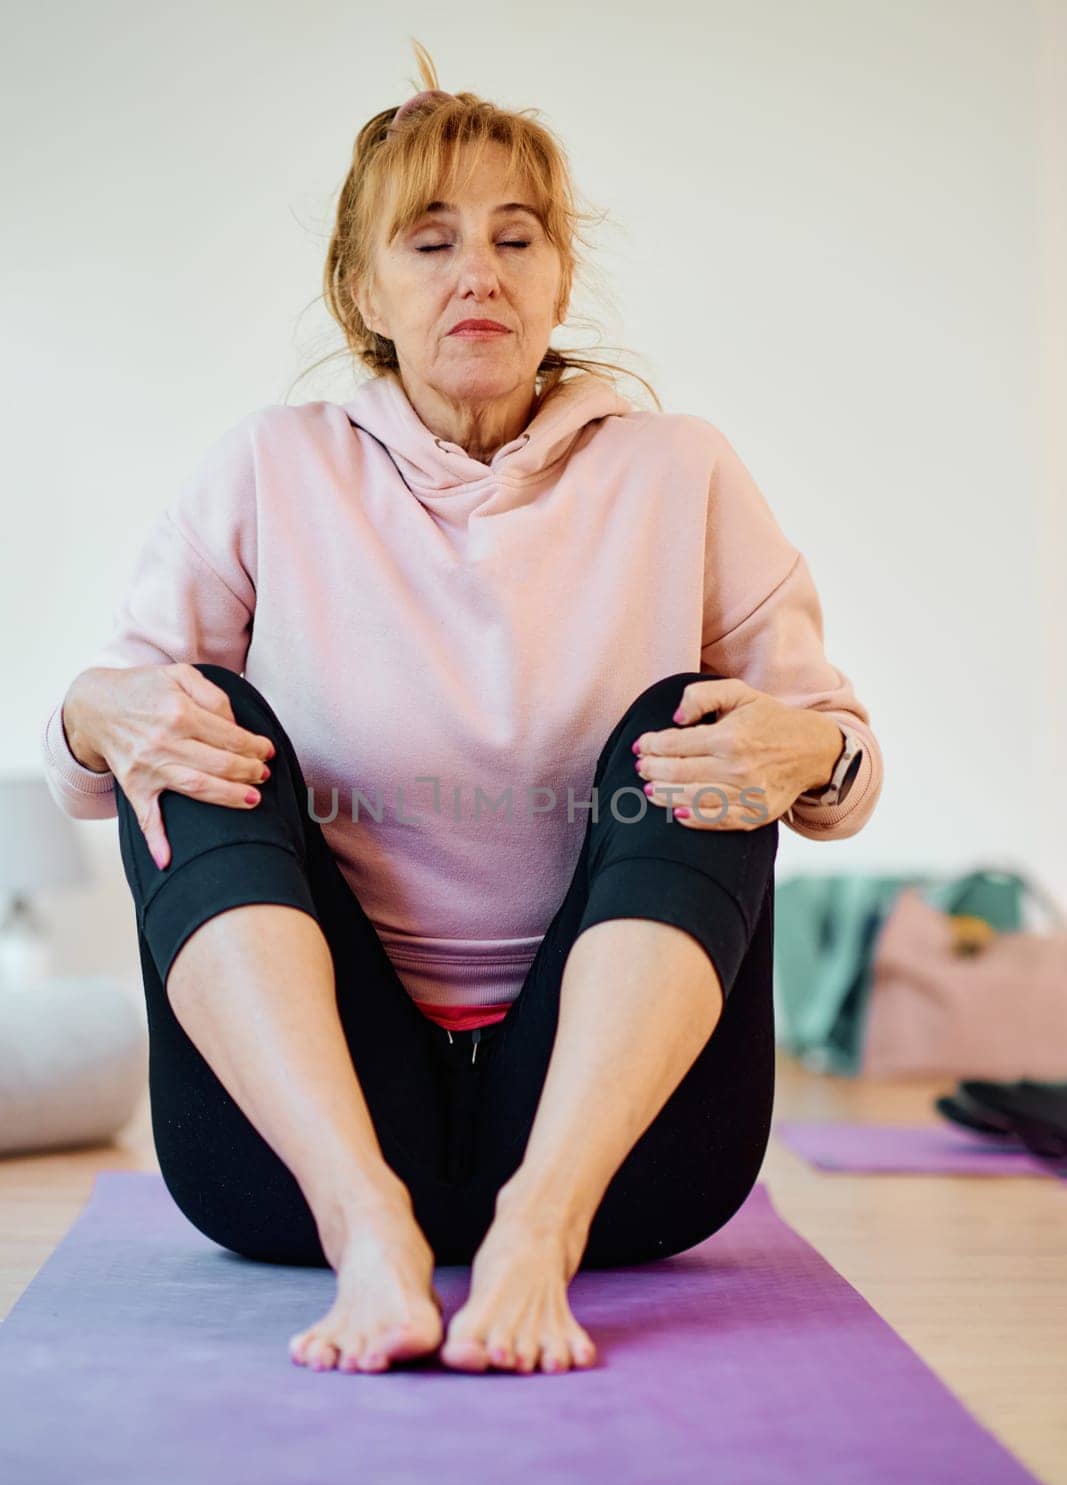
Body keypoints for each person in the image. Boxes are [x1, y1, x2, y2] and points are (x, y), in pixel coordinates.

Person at [41, 47, 884, 1378]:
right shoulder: (271, 464)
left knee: (697, 724)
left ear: (559, 276)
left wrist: (814, 743)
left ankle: (532, 1233)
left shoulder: (681, 471)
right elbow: (105, 736)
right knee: (194, 715)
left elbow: (836, 755)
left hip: (621, 1159)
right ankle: (370, 1220)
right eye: (429, 242)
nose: (478, 272)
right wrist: (103, 708)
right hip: (294, 1160)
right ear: (362, 290)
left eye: (515, 236)